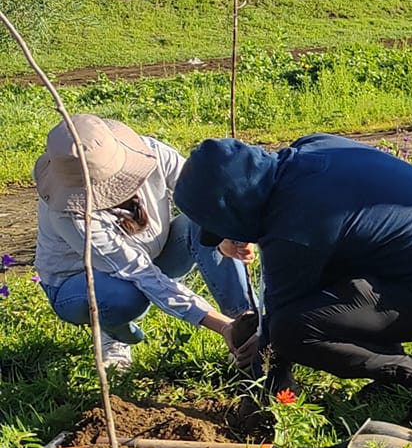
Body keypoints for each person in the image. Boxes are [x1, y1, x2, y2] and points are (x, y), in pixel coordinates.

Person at [173, 134, 412, 425]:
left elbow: (280, 327)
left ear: (235, 206)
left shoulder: (294, 224)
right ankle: (388, 374)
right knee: (324, 280)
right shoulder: (311, 148)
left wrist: (267, 390)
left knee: (294, 331)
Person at [33, 115, 254, 369]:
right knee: (123, 298)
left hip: (151, 255)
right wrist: (220, 325)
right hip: (80, 285)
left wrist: (224, 235)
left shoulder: (153, 153)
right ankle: (113, 335)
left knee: (206, 221)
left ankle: (247, 325)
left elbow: (201, 196)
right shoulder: (69, 213)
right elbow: (138, 272)